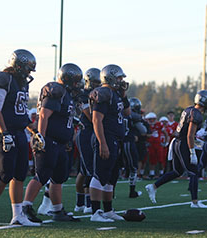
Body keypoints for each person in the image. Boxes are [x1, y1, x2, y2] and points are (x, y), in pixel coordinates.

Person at [0, 49, 39, 227]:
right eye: (27, 68)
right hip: (4, 131)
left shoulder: (21, 83)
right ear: (18, 65)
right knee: (4, 174)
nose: (29, 73)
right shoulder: (3, 79)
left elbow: (21, 113)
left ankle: (17, 216)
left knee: (19, 175)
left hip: (19, 132)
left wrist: (35, 131)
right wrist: (4, 133)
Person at [22, 63, 83, 223]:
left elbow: (63, 118)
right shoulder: (56, 90)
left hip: (60, 142)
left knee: (58, 178)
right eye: (76, 81)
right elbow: (44, 115)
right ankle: (25, 208)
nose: (77, 85)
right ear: (68, 79)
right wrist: (40, 136)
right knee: (42, 175)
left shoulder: (67, 94)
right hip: (49, 140)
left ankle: (57, 210)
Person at [145, 90, 207, 208]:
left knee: (177, 171)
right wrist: (192, 152)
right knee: (193, 171)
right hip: (183, 143)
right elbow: (189, 135)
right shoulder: (196, 113)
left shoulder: (189, 109)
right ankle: (195, 202)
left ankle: (154, 186)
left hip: (177, 142)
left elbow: (186, 132)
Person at [88, 64, 130, 222]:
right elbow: (96, 119)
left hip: (115, 138)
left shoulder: (115, 94)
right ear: (111, 77)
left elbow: (127, 112)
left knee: (111, 176)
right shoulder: (103, 93)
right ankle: (95, 211)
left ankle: (107, 210)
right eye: (119, 78)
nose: (121, 81)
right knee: (100, 174)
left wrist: (124, 94)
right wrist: (102, 143)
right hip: (105, 137)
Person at [73, 68, 101, 213]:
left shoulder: (97, 93)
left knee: (84, 171)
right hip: (86, 132)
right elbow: (89, 115)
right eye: (96, 82)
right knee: (90, 169)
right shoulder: (83, 94)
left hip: (92, 132)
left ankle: (80, 203)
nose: (97, 85)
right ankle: (88, 204)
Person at [123, 97, 147, 198]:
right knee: (133, 167)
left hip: (116, 142)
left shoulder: (118, 113)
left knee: (115, 168)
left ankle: (111, 192)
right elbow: (143, 131)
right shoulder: (134, 116)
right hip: (128, 142)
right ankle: (132, 191)